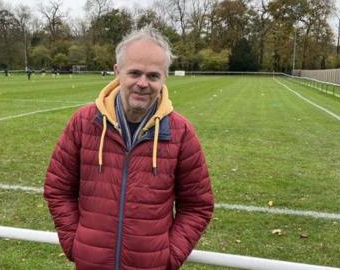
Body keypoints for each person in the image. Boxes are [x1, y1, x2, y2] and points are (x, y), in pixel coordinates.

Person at [44, 27, 214, 270]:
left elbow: (198, 205)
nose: (143, 84)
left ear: (164, 78)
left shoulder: (181, 133)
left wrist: (169, 256)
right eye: (134, 73)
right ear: (117, 72)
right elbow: (57, 188)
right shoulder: (83, 123)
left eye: (153, 76)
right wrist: (75, 243)